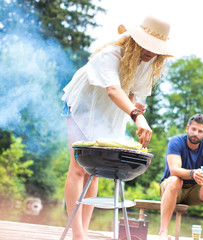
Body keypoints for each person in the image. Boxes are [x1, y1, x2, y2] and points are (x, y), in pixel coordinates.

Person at [61, 16, 173, 240]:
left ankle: (83, 228)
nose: (151, 52)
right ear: (136, 39)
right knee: (78, 168)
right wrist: (137, 117)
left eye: (156, 48)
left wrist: (136, 106)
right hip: (82, 106)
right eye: (148, 45)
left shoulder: (149, 63)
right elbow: (112, 89)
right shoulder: (110, 54)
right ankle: (77, 234)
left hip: (108, 114)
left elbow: (130, 93)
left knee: (93, 173)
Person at [159, 114, 203, 240]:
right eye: (193, 129)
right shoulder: (176, 141)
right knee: (175, 180)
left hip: (194, 191)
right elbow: (174, 170)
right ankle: (163, 233)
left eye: (200, 131)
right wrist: (192, 173)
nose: (196, 133)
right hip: (171, 188)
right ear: (187, 128)